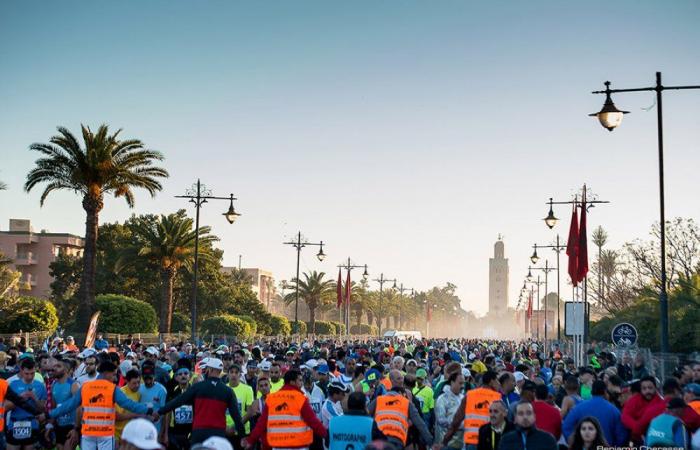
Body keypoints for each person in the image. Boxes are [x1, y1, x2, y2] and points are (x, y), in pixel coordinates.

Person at [47, 360, 154, 450]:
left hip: (88, 434)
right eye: (113, 374)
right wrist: (148, 410)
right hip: (105, 435)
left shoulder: (85, 387)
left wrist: (49, 415)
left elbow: (68, 405)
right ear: (106, 373)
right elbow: (129, 405)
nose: (115, 378)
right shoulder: (112, 389)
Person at [159, 358, 245, 445]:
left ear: (210, 370)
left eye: (206, 369)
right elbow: (237, 417)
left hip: (199, 433)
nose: (205, 371)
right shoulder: (228, 391)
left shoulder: (198, 387)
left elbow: (178, 401)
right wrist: (243, 437)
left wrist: (159, 412)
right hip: (218, 433)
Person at [243, 369, 327, 450]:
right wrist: (326, 435)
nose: (301, 383)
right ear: (292, 382)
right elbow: (313, 421)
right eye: (300, 380)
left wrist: (251, 440)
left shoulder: (272, 399)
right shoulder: (300, 398)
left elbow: (262, 423)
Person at [369, 374, 433, 449]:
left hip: (379, 439)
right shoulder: (406, 402)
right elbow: (420, 424)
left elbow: (365, 415)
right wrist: (431, 442)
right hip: (397, 439)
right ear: (402, 394)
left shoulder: (378, 399)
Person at [443, 370, 502, 449]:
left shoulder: (469, 395)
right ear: (491, 382)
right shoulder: (497, 398)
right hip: (490, 442)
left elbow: (456, 420)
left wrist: (445, 440)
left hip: (472, 442)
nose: (499, 384)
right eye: (497, 380)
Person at [562, 380, 628, 446]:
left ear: (591, 391)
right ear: (605, 392)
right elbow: (621, 435)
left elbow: (566, 427)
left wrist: (576, 444)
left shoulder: (578, 408)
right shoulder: (614, 410)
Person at [6, 358, 46, 450]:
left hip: (32, 423)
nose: (29, 377)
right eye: (26, 373)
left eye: (32, 373)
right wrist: (20, 398)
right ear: (21, 371)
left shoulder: (40, 386)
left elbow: (42, 409)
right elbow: (6, 407)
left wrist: (34, 398)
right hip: (14, 423)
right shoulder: (13, 384)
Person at [621, 375, 664, 443]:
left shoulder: (661, 403)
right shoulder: (635, 400)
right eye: (644, 388)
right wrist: (637, 427)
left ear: (655, 388)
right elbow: (625, 416)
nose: (647, 391)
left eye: (650, 388)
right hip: (637, 438)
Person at [50, 358, 79, 450]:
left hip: (71, 426)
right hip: (59, 426)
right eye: (54, 366)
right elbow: (54, 407)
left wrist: (76, 429)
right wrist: (50, 425)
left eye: (58, 366)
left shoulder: (73, 385)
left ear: (66, 370)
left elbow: (79, 408)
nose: (55, 368)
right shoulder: (53, 385)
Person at [167, 364, 194, 450]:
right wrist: (165, 433)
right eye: (180, 374)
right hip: (175, 432)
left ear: (189, 376)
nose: (183, 376)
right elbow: (168, 414)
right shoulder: (172, 393)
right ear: (176, 377)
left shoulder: (195, 392)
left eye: (186, 373)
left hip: (191, 432)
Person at [435, 371, 465, 449]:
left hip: (461, 444)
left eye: (463, 383)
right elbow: (440, 420)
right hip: (447, 443)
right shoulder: (442, 398)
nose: (463, 386)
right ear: (452, 382)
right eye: (460, 383)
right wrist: (459, 424)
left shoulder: (463, 398)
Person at [139, 363, 168, 441]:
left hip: (156, 432)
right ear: (142, 377)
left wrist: (163, 433)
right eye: (145, 377)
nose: (148, 379)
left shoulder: (161, 390)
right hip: (141, 431)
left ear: (154, 376)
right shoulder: (139, 389)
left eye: (150, 376)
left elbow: (165, 414)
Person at [116, 369, 142, 442]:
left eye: (138, 382)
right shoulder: (120, 394)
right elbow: (116, 416)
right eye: (134, 383)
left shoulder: (138, 392)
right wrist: (135, 415)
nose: (137, 385)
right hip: (118, 436)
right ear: (127, 382)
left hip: (131, 436)